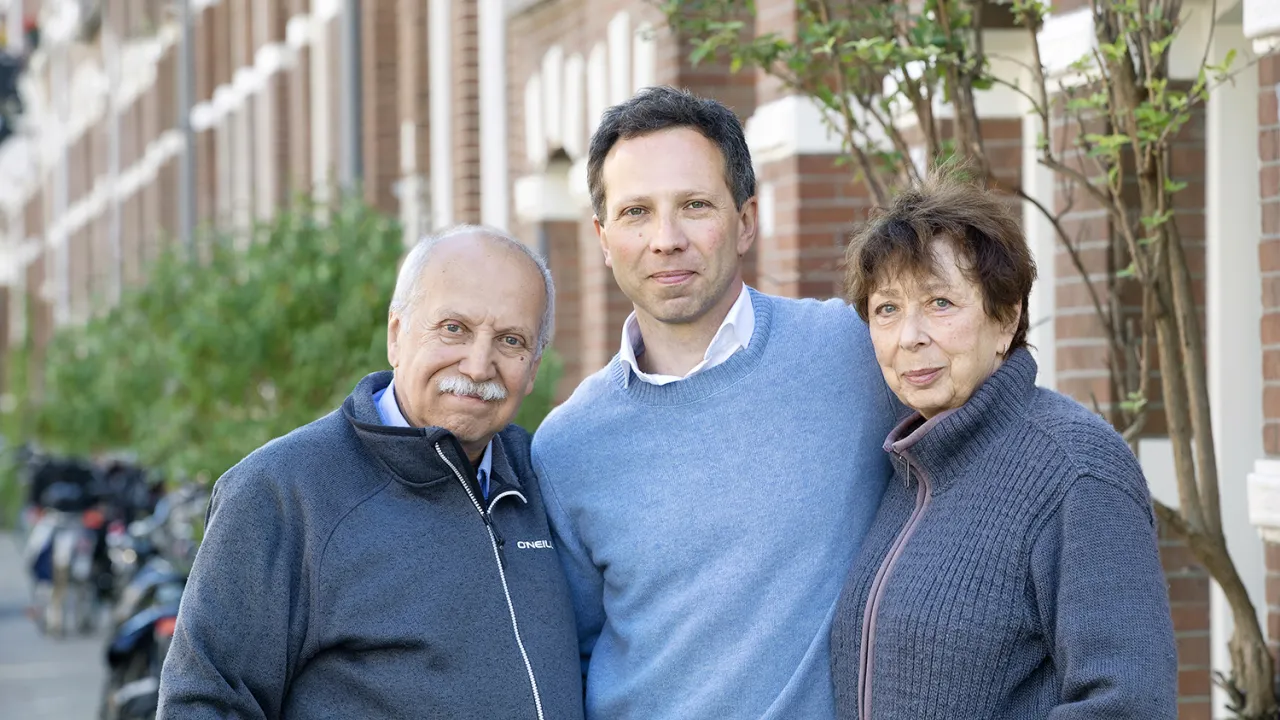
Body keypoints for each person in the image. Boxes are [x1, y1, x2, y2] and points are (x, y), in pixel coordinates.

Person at [530, 86, 900, 719]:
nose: (666, 238)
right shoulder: (567, 446)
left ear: (746, 220)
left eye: (694, 205)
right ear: (603, 238)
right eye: (636, 212)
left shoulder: (853, 353)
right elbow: (577, 655)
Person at [157, 226, 585, 720]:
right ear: (396, 335)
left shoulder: (544, 476)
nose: (477, 365)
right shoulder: (282, 491)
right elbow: (205, 702)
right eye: (453, 328)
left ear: (533, 368)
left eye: (511, 341)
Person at [829, 171, 1177, 718]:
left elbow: (1129, 704)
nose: (909, 336)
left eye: (940, 302)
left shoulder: (1076, 471)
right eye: (887, 309)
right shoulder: (911, 466)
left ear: (1006, 317)